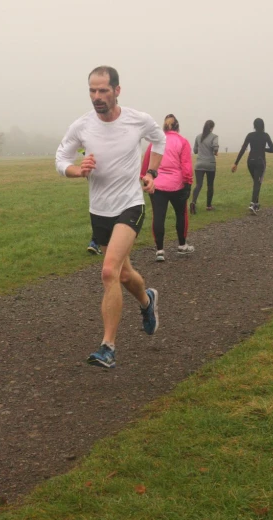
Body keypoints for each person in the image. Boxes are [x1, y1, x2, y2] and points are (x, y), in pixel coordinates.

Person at [55, 65, 165, 368]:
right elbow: (61, 160)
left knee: (108, 272)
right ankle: (147, 301)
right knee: (125, 275)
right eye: (92, 90)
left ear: (117, 90)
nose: (97, 96)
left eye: (103, 90)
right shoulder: (82, 126)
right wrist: (78, 170)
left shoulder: (137, 120)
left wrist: (151, 173)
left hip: (130, 205)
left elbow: (160, 139)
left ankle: (108, 347)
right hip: (99, 210)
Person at [140, 114, 194, 262]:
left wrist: (144, 178)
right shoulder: (183, 142)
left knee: (158, 216)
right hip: (177, 185)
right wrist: (188, 183)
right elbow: (186, 166)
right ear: (178, 127)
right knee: (181, 214)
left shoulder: (155, 143)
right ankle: (182, 245)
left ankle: (160, 251)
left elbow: (146, 163)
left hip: (157, 184)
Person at [231, 118, 273, 214]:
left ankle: (256, 203)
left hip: (250, 161)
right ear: (263, 125)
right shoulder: (265, 135)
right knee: (257, 182)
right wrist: (263, 149)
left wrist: (236, 163)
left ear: (254, 126)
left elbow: (243, 149)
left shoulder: (250, 135)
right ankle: (252, 204)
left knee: (256, 182)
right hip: (260, 162)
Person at [191, 120, 219, 214]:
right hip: (210, 164)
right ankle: (208, 206)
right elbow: (215, 147)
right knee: (210, 185)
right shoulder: (214, 137)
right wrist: (215, 152)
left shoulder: (198, 137)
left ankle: (193, 202)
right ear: (212, 127)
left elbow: (195, 150)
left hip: (199, 164)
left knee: (198, 185)